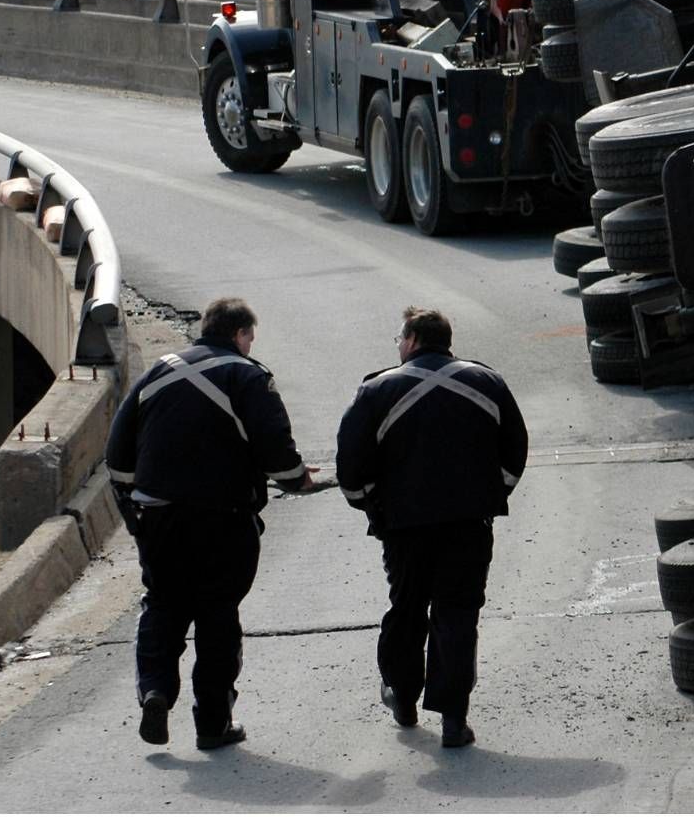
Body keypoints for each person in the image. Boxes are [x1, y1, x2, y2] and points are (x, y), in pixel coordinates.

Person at [105, 297, 325, 751]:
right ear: (241, 335)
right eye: (250, 338)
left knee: (162, 605)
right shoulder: (248, 375)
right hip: (223, 520)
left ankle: (155, 691)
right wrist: (297, 479)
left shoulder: (158, 371)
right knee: (217, 616)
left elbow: (118, 450)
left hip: (159, 517)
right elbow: (275, 447)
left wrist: (135, 508)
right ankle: (213, 723)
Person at [336, 307, 527, 748]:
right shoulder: (487, 382)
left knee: (406, 608)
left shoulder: (377, 388)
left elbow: (351, 461)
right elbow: (515, 447)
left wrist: (369, 505)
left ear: (413, 340)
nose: (398, 347)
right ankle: (454, 720)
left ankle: (402, 697)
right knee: (457, 614)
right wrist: (489, 495)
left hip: (403, 527)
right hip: (468, 524)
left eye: (400, 339)